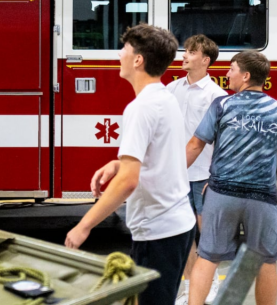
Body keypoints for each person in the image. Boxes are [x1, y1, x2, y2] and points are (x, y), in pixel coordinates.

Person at [65, 23, 196, 305]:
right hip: (178, 224)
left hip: (158, 230)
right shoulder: (165, 98)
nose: (118, 55)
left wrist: (84, 226)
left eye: (124, 49)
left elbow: (128, 181)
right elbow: (161, 154)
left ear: (138, 60)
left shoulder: (140, 107)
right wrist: (119, 162)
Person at [186, 51, 277, 305]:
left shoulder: (222, 106)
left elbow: (195, 144)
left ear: (245, 76)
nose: (226, 74)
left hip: (221, 194)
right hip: (262, 199)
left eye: (231, 69)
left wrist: (176, 177)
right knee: (265, 260)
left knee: (208, 256)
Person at [167, 35, 227, 305]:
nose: (184, 55)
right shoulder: (172, 89)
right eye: (185, 51)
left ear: (205, 60)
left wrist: (216, 176)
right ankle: (190, 286)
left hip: (203, 175)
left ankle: (210, 284)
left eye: (191, 52)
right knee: (184, 233)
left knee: (207, 234)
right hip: (177, 174)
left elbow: (223, 142)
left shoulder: (217, 96)